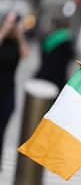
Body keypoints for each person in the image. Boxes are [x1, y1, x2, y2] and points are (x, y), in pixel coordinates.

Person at [0, 12, 30, 170]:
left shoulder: (17, 43)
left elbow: (26, 55)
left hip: (8, 92)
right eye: (9, 21)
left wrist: (19, 36)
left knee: (2, 128)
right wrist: (4, 31)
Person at [35, 19, 74, 90]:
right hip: (58, 77)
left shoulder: (49, 37)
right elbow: (71, 56)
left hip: (44, 73)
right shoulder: (67, 41)